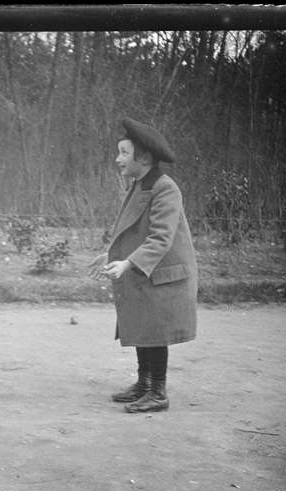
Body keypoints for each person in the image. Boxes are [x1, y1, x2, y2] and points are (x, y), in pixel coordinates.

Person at [87, 118, 198, 413]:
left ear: (144, 157)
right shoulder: (140, 185)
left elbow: (160, 238)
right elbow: (130, 230)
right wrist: (110, 256)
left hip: (163, 275)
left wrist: (128, 263)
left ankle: (158, 392)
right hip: (145, 273)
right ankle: (144, 383)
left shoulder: (165, 188)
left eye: (124, 153)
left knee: (155, 330)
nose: (118, 159)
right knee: (142, 325)